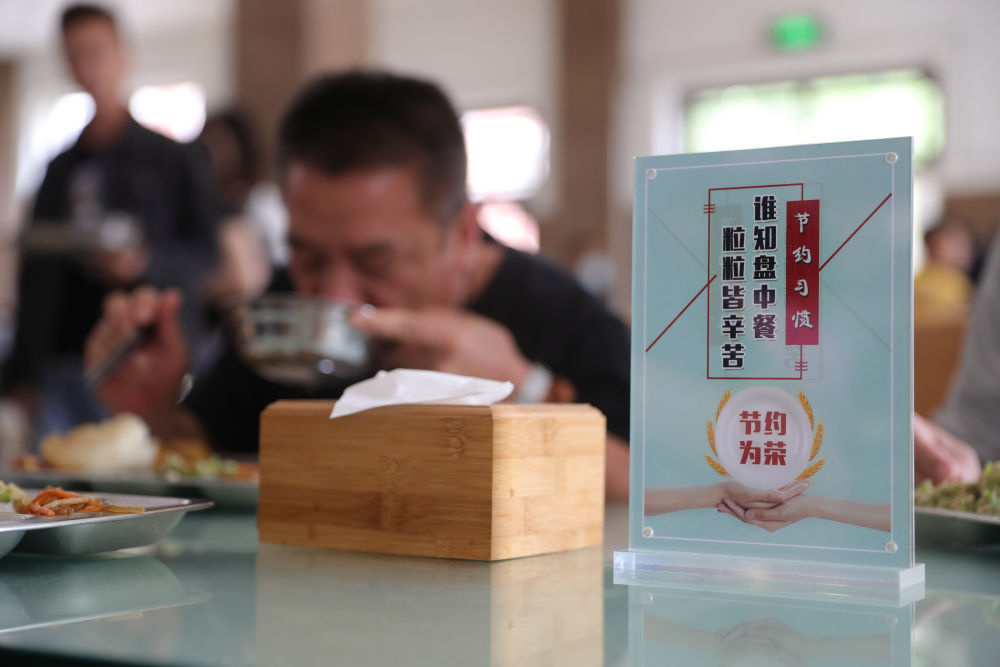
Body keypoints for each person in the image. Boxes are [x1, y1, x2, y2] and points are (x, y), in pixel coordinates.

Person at [85, 71, 632, 499]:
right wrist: (154, 408)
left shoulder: (563, 317)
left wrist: (524, 389)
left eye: (375, 262)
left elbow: (650, 489)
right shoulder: (284, 313)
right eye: (308, 255)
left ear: (463, 234)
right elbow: (211, 455)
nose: (334, 298)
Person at [1, 4, 218, 437]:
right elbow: (36, 272)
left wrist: (144, 263)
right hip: (64, 362)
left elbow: (206, 253)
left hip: (140, 360)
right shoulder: (59, 168)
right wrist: (22, 372)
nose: (87, 64)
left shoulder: (172, 159)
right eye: (75, 53)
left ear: (123, 55)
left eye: (96, 50)